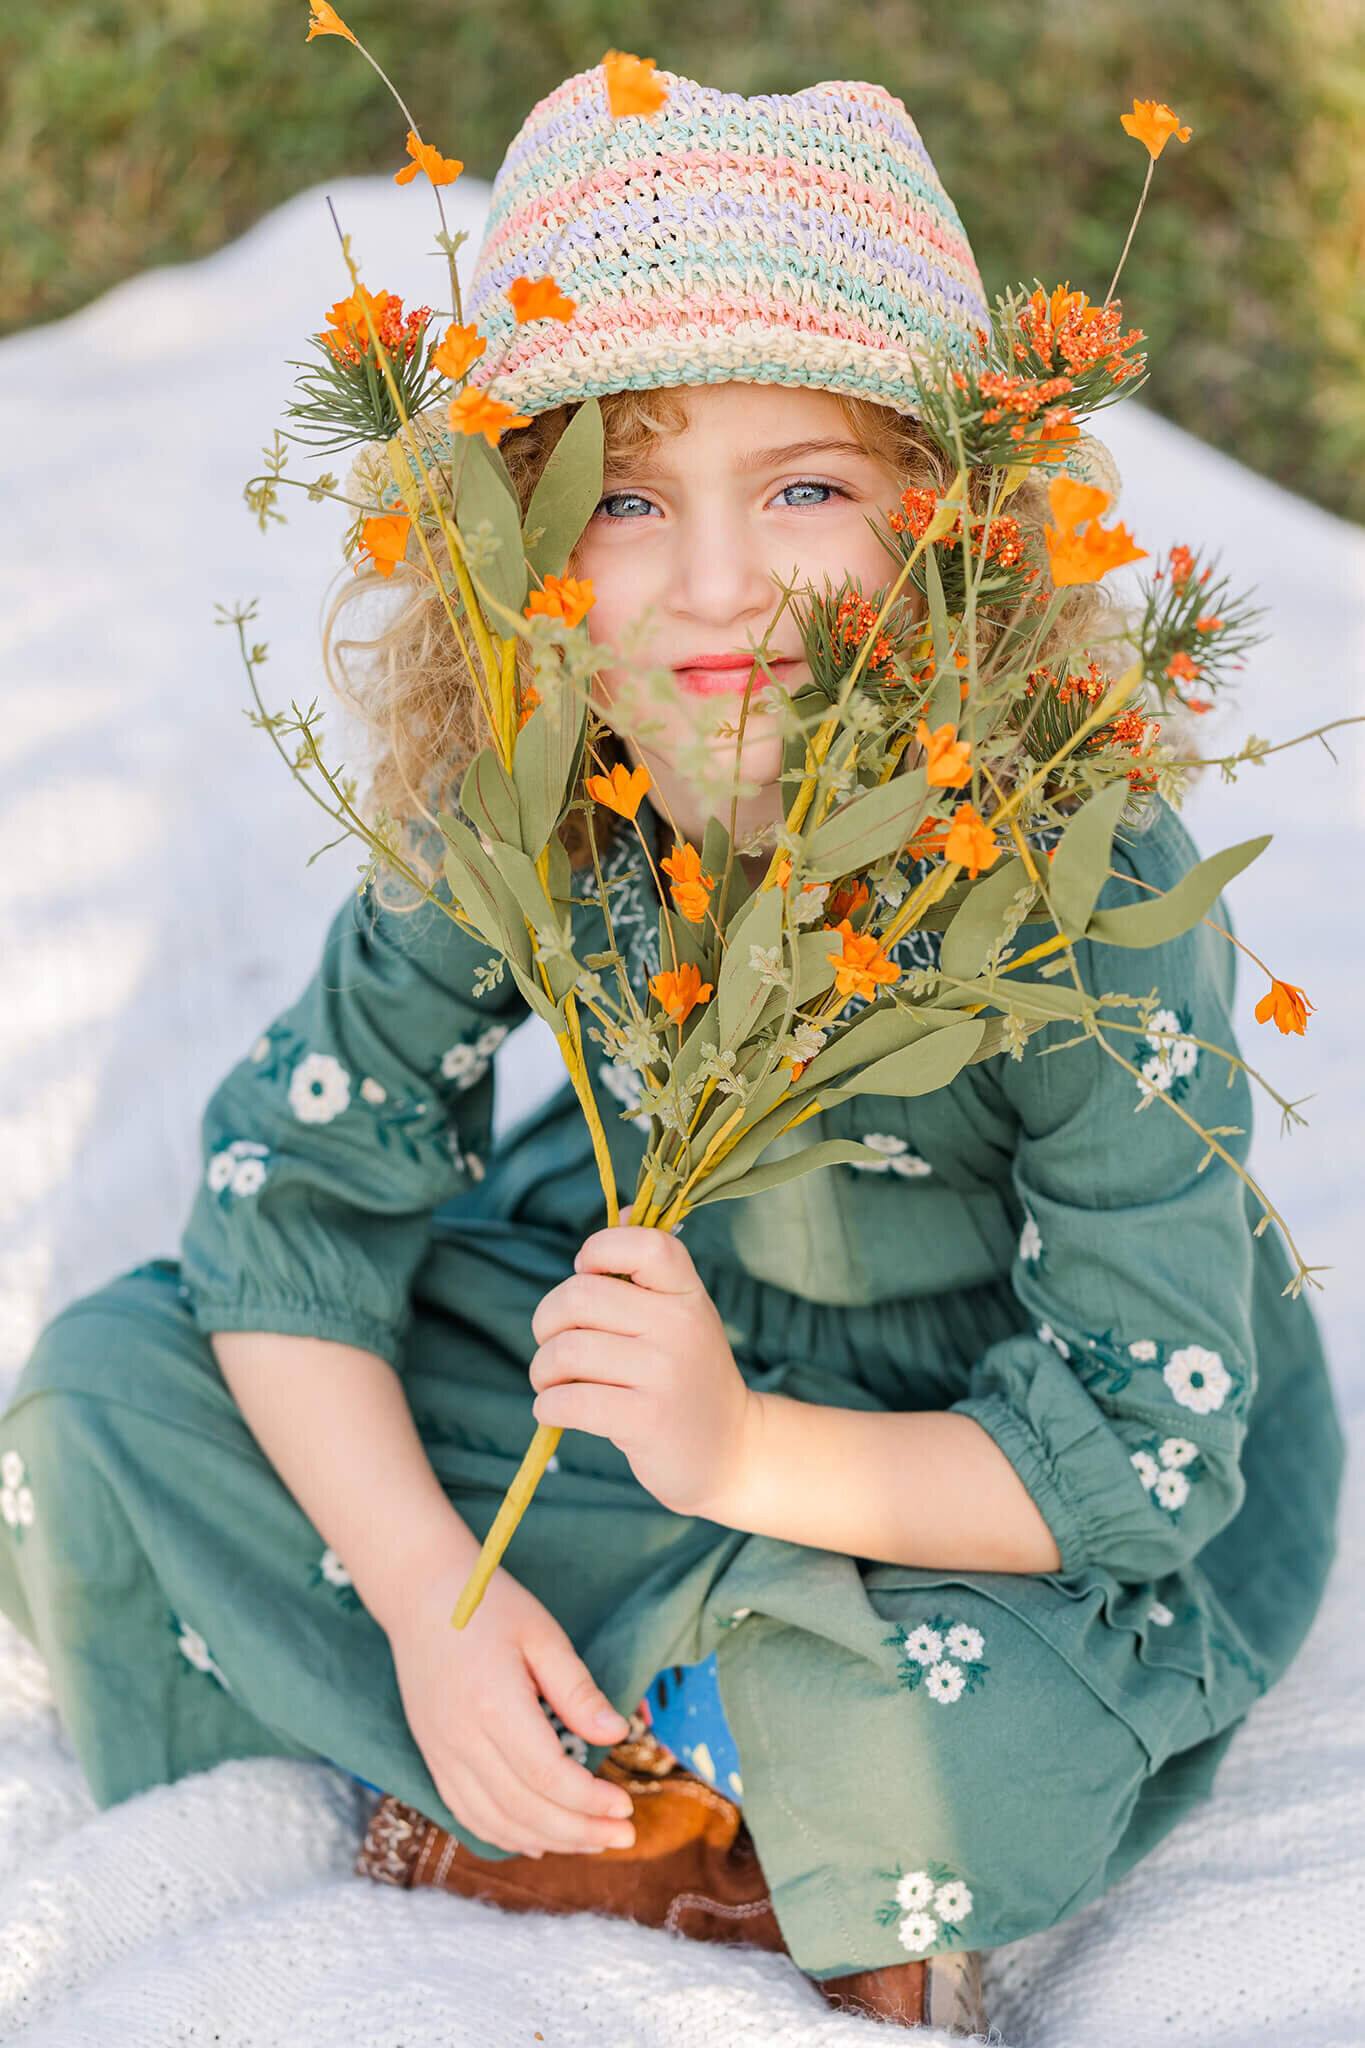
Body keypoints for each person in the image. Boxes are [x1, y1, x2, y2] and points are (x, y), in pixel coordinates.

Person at [0, 60, 1344, 2037]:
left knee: (960, 1733)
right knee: (106, 1398)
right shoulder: (535, 786)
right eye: (621, 496)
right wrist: (425, 1602)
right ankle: (589, 1762)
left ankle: (683, 1792)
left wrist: (739, 1449)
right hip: (628, 1342)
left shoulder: (1074, 872)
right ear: (510, 538)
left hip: (952, 1450)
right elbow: (289, 1202)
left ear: (949, 521)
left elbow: (1142, 1438)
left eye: (803, 485)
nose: (711, 583)